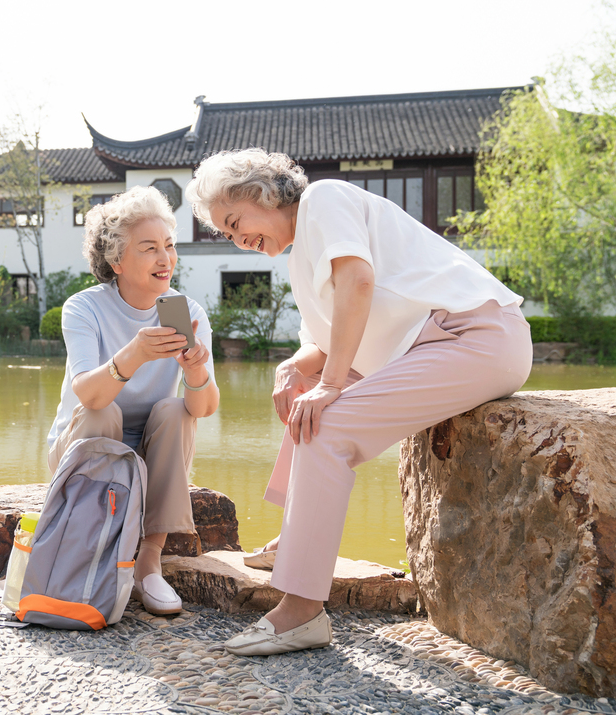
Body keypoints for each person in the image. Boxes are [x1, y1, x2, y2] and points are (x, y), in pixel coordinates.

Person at [185, 149, 532, 655]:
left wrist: (329, 382)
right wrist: (295, 368)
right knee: (308, 393)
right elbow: (324, 342)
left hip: (473, 336)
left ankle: (301, 611)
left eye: (236, 222)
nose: (239, 240)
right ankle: (295, 537)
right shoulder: (301, 256)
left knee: (327, 421)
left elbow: (358, 284)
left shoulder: (325, 199)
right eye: (228, 234)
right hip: (425, 344)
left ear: (261, 193)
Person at [47, 185, 220, 616]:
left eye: (169, 246)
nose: (165, 259)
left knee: (174, 411)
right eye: (149, 249)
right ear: (117, 262)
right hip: (85, 442)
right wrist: (136, 354)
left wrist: (196, 369)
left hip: (151, 455)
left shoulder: (187, 311)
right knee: (103, 407)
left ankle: (148, 563)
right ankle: (90, 555)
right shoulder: (83, 309)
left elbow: (203, 409)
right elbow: (87, 393)